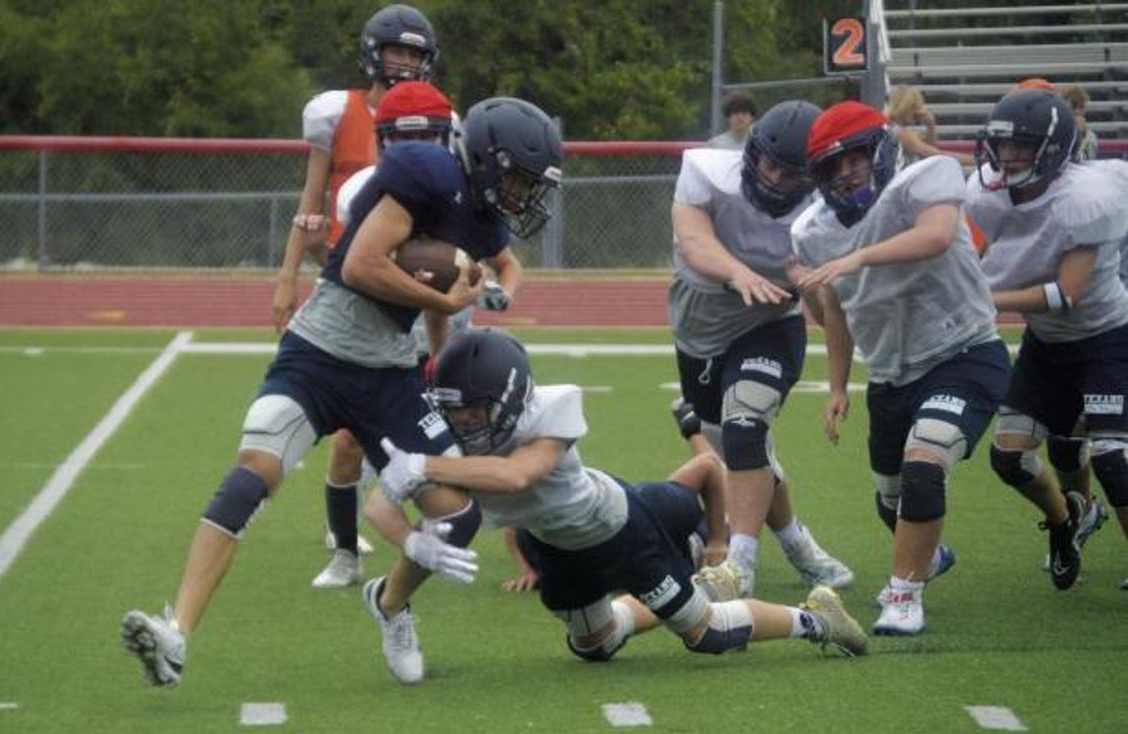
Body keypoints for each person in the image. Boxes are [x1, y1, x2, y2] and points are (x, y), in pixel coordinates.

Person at [119, 96, 563, 688]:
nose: (521, 194)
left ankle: (390, 604)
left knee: (457, 515)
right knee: (255, 471)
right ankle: (176, 634)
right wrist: (447, 300)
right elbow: (360, 266)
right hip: (320, 351)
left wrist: (468, 322)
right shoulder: (423, 172)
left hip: (389, 372)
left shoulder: (483, 219)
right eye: (516, 178)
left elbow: (474, 277)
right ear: (485, 160)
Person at [372, 328, 868, 679]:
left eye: (475, 411)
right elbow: (378, 506)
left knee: (707, 635)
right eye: (454, 412)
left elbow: (517, 473)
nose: (464, 424)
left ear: (514, 397)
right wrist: (413, 540)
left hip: (617, 527)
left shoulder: (553, 406)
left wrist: (423, 466)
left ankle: (818, 619)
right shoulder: (444, 437)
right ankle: (693, 592)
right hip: (554, 546)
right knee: (595, 645)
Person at [787, 100, 1011, 636]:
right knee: (892, 499)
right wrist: (838, 384)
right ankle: (928, 558)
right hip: (890, 373)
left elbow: (934, 235)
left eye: (857, 157)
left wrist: (860, 256)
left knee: (925, 461)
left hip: (963, 350)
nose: (847, 172)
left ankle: (904, 595)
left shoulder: (926, 178)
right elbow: (837, 310)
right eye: (833, 166)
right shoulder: (815, 230)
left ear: (882, 149)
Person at [308, 80, 524, 590]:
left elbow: (506, 262)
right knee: (347, 446)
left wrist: (502, 294)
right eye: (404, 140)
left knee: (487, 440)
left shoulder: (468, 194)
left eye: (428, 137)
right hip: (390, 344)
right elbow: (349, 269)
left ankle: (518, 550)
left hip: (452, 345)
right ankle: (345, 553)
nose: (417, 151)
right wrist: (317, 248)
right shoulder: (369, 189)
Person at [270, 4, 441, 589]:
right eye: (398, 51)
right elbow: (310, 204)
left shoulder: (434, 117)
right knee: (346, 439)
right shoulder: (335, 113)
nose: (406, 62)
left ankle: (431, 540)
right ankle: (346, 551)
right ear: (373, 51)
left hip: (409, 292)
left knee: (422, 422)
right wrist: (288, 277)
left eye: (415, 54)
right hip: (344, 284)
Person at [670, 99, 854, 602]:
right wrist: (738, 271)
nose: (773, 178)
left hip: (771, 323)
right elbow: (692, 240)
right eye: (768, 162)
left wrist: (838, 381)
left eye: (789, 171)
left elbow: (828, 309)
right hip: (701, 328)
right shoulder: (708, 172)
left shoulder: (822, 214)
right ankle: (796, 541)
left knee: (746, 423)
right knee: (742, 446)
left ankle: (739, 565)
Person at [966, 88, 1128, 591]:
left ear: (1054, 148)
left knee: (1112, 457)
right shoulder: (986, 193)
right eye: (1003, 145)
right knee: (1009, 457)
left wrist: (985, 298)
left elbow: (1067, 293)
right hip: (1046, 343)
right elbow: (994, 251)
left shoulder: (1087, 197)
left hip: (1105, 336)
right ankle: (1066, 522)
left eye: (1022, 146)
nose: (1007, 156)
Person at [500, 400, 730, 592]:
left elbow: (708, 466)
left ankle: (692, 427)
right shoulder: (537, 531)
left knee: (731, 515)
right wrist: (528, 570)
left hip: (687, 534)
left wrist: (717, 540)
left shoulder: (652, 507)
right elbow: (512, 525)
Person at [884, 85, 973, 167]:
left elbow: (930, 148)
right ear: (909, 107)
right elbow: (935, 155)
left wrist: (930, 125)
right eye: (917, 107)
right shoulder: (900, 133)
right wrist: (974, 160)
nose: (919, 111)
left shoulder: (894, 128)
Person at [1061, 84, 1100, 161]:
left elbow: (1088, 160)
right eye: (1073, 106)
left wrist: (1082, 135)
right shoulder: (1056, 132)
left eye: (1081, 107)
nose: (1078, 111)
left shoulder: (1091, 136)